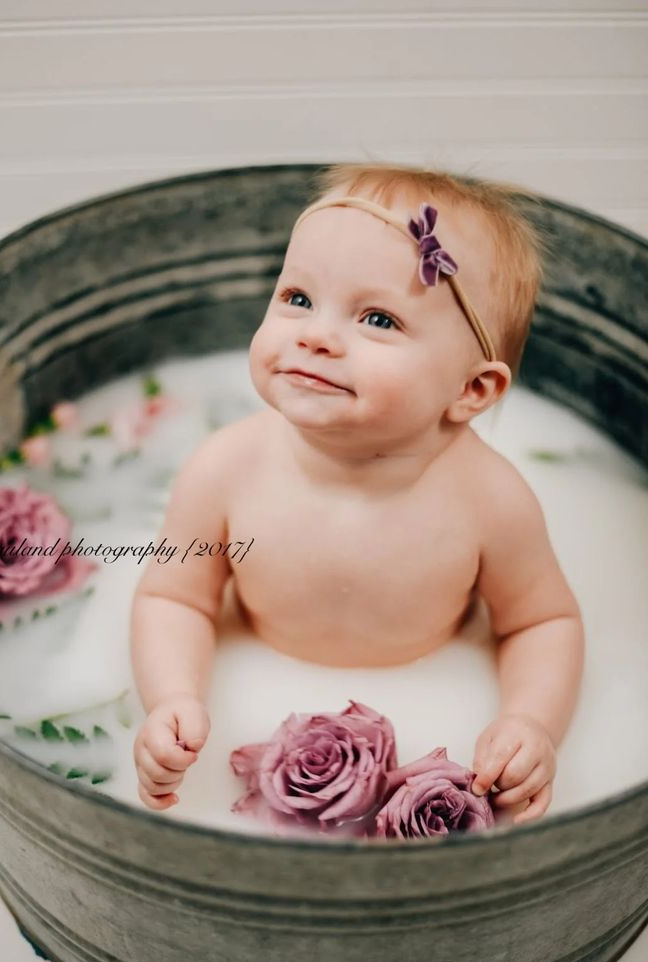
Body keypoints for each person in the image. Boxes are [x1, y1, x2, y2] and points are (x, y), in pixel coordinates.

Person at [130, 162, 585, 825]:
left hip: (433, 701)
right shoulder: (224, 468)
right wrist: (172, 696)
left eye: (376, 317)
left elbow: (542, 622)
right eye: (297, 299)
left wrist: (530, 722)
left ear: (471, 391)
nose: (313, 334)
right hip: (257, 697)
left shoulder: (491, 502)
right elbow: (174, 596)